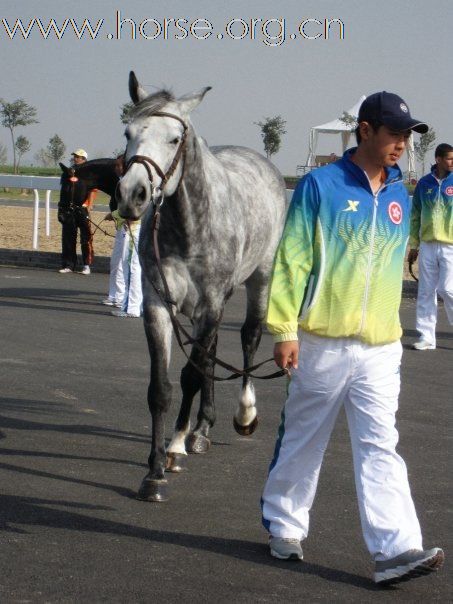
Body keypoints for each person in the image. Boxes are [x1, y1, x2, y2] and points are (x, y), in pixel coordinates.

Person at [261, 92, 444, 585]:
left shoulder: (401, 194)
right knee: (303, 440)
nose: (402, 144)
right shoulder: (319, 186)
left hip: (381, 347)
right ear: (365, 131)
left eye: (407, 136)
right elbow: (293, 259)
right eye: (394, 134)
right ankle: (284, 523)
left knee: (382, 444)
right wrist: (283, 329)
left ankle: (396, 550)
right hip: (321, 341)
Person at [408, 143, 453, 350]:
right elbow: (415, 214)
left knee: (447, 288)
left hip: (450, 245)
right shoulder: (424, 183)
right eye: (449, 158)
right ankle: (427, 337)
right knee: (426, 290)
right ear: (438, 159)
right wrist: (414, 245)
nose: (452, 162)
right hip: (427, 244)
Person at [58, 149, 95, 275]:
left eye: (79, 157)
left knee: (86, 238)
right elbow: (63, 191)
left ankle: (86, 265)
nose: (76, 159)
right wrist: (61, 208)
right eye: (75, 156)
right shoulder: (67, 173)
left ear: (84, 159)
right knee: (68, 238)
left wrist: (89, 205)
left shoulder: (89, 174)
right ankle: (69, 264)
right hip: (69, 210)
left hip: (83, 210)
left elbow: (93, 190)